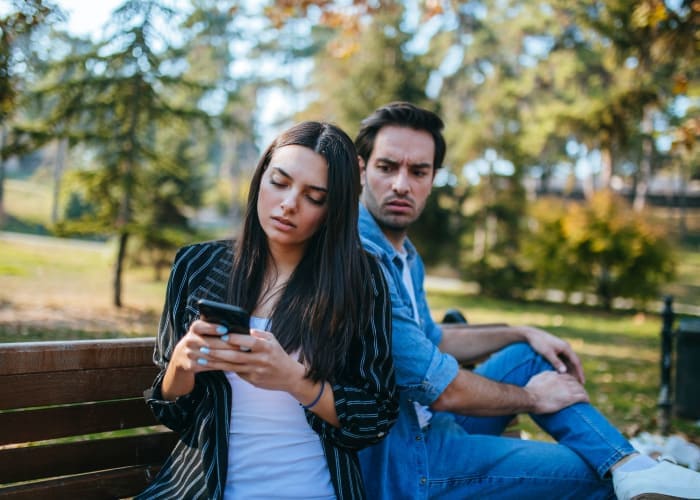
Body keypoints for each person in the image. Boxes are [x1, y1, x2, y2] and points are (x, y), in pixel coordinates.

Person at [354, 101, 700, 499]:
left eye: (418, 171)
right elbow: (442, 388)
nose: (402, 184)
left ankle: (631, 466)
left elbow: (433, 338)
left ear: (432, 179)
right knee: (593, 477)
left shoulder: (405, 254)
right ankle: (627, 471)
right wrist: (534, 398)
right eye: (387, 167)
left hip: (436, 424)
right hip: (407, 463)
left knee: (531, 353)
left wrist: (523, 330)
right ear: (362, 170)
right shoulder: (361, 257)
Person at [137, 121, 398, 499]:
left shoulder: (360, 280)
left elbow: (374, 417)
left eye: (314, 197)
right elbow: (173, 414)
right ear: (261, 178)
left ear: (333, 209)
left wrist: (294, 379)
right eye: (279, 181)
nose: (289, 203)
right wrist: (181, 364)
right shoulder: (197, 266)